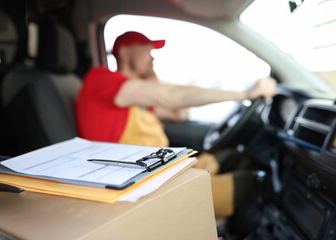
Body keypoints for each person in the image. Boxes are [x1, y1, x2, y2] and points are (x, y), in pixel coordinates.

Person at [76, 31, 276, 217]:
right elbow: (169, 96)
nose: (152, 57)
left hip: (162, 170)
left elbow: (180, 113)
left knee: (233, 158)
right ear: (125, 52)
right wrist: (245, 94)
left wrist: (153, 78)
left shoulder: (136, 97)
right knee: (257, 184)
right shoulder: (101, 78)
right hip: (143, 185)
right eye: (146, 50)